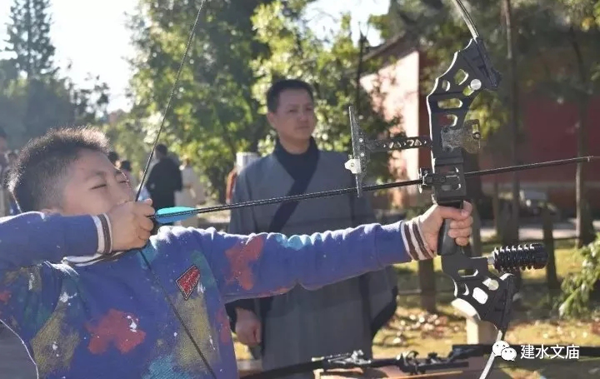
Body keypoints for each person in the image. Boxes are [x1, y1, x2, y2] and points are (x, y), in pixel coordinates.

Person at [0, 126, 473, 379]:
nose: (122, 186)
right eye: (99, 184)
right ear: (51, 215)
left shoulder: (183, 249)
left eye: (120, 176)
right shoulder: (43, 292)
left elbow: (296, 256)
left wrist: (413, 235)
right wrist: (100, 233)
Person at [226, 79, 397, 376]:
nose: (303, 117)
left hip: (344, 301)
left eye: (308, 109)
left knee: (347, 372)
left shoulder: (344, 169)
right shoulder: (251, 179)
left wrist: (378, 294)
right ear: (272, 118)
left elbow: (368, 235)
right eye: (292, 110)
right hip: (283, 310)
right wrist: (243, 310)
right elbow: (238, 248)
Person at [145, 143, 183, 211]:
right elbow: (179, 184)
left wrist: (153, 193)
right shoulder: (173, 165)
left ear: (158, 152)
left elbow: (148, 184)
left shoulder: (157, 167)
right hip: (170, 197)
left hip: (158, 199)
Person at [176, 157, 205, 227]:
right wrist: (200, 198)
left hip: (179, 194)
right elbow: (197, 185)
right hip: (186, 194)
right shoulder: (191, 171)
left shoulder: (179, 170)